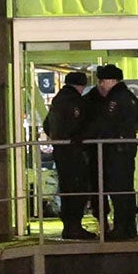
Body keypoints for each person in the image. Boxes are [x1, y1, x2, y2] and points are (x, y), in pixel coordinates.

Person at [79, 63, 138, 238]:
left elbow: (104, 124)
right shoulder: (127, 96)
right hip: (123, 150)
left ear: (112, 80)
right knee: (124, 189)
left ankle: (121, 228)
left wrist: (81, 137)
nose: (101, 84)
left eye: (103, 80)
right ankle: (127, 227)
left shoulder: (116, 98)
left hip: (115, 151)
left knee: (118, 190)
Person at [41, 70, 95, 240]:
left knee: (66, 188)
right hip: (74, 152)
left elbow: (46, 125)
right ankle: (74, 227)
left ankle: (70, 226)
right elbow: (79, 126)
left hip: (61, 151)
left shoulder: (58, 100)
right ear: (81, 85)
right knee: (77, 189)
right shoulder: (75, 101)